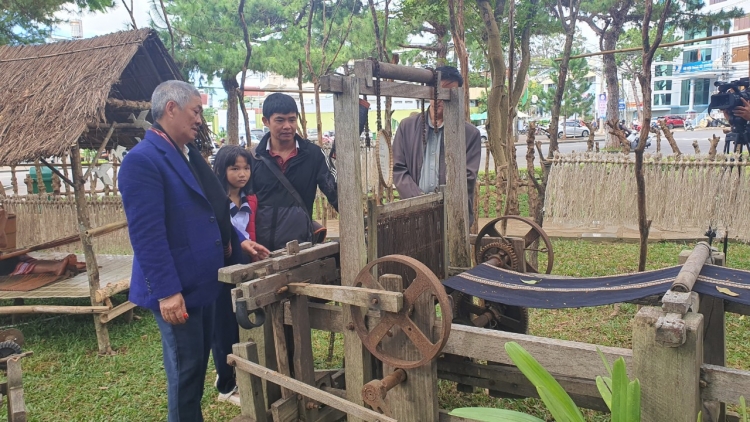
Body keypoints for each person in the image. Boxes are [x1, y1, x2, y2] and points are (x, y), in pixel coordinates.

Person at [119, 80, 267, 422]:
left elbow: (209, 210)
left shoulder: (185, 156)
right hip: (178, 289)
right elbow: (147, 235)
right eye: (196, 111)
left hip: (202, 283)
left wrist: (238, 238)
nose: (200, 119)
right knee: (185, 374)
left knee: (197, 367)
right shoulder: (143, 161)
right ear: (171, 109)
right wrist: (168, 292)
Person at [210, 145, 268, 405]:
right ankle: (225, 386)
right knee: (222, 327)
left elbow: (251, 232)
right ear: (222, 170)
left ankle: (229, 372)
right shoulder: (214, 200)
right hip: (219, 271)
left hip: (242, 268)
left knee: (237, 324)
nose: (242, 173)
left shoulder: (249, 199)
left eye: (246, 168)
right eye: (235, 168)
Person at [391, 65, 482, 225]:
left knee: (454, 250)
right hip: (414, 215)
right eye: (436, 90)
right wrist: (420, 201)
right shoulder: (406, 127)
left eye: (448, 92)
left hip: (453, 216)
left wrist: (440, 203)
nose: (440, 97)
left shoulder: (470, 134)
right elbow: (398, 170)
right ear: (428, 91)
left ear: (458, 95)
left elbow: (468, 177)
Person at [250, 93, 338, 251]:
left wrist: (359, 221)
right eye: (280, 120)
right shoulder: (254, 158)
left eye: (292, 119)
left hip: (300, 248)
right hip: (260, 250)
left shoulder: (313, 155)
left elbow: (336, 192)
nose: (287, 126)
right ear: (266, 121)